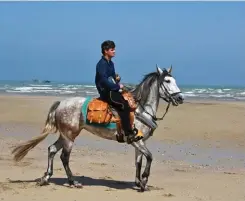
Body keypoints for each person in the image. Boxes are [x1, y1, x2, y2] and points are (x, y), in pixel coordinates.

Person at [95, 40, 141, 143]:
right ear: (106, 51)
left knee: (130, 98)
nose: (114, 51)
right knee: (123, 105)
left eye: (114, 49)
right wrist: (116, 86)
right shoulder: (101, 64)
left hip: (112, 89)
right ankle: (128, 133)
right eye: (112, 49)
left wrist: (117, 79)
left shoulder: (111, 63)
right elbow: (103, 80)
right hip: (106, 92)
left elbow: (111, 77)